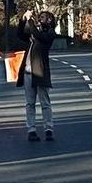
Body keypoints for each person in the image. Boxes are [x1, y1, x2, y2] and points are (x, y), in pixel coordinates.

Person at [11, 8, 59, 141]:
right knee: (29, 103)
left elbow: (38, 36)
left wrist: (30, 20)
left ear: (49, 20)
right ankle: (31, 129)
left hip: (40, 72)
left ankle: (48, 128)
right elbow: (20, 34)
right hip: (28, 72)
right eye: (39, 17)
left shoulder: (49, 34)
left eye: (43, 17)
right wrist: (23, 20)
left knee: (45, 102)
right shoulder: (34, 33)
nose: (40, 19)